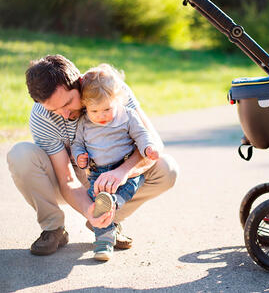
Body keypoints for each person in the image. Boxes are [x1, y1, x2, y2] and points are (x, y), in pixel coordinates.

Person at [7, 54, 178, 256]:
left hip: (113, 177)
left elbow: (154, 143)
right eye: (54, 109)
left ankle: (107, 222)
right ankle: (53, 229)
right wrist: (88, 208)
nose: (64, 114)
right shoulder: (41, 117)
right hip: (68, 178)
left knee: (167, 169)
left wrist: (123, 172)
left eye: (68, 103)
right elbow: (67, 179)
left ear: (79, 82)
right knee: (20, 154)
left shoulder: (108, 88)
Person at [71, 64, 160, 260]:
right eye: (94, 110)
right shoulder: (84, 122)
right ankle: (103, 244)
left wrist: (148, 149)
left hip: (125, 167)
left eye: (107, 109)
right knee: (98, 205)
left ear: (117, 100)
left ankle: (113, 202)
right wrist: (80, 157)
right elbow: (77, 144)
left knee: (128, 187)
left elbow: (142, 135)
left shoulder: (127, 116)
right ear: (85, 105)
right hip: (98, 173)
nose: (101, 115)